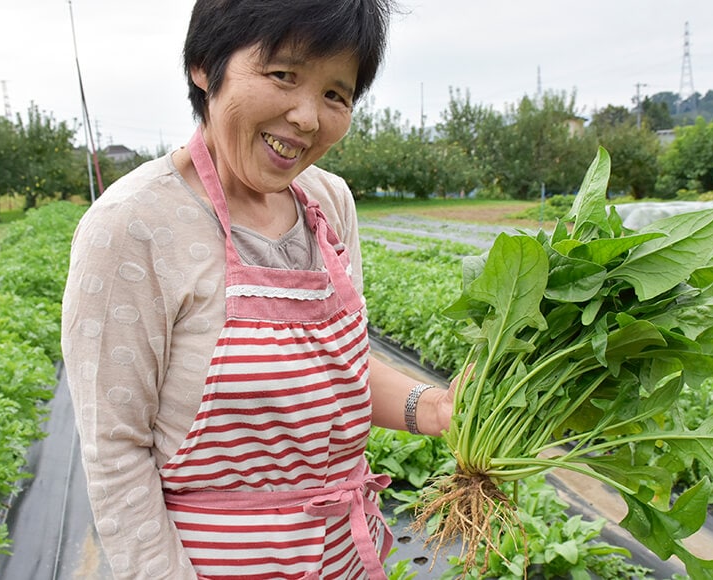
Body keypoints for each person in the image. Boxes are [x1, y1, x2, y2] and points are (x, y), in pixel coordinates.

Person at [60, 1, 455, 578]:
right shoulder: (132, 225)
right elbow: (115, 453)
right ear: (203, 64)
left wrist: (433, 406)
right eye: (283, 75)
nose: (306, 117)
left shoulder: (329, 201)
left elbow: (336, 370)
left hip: (345, 556)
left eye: (335, 95)